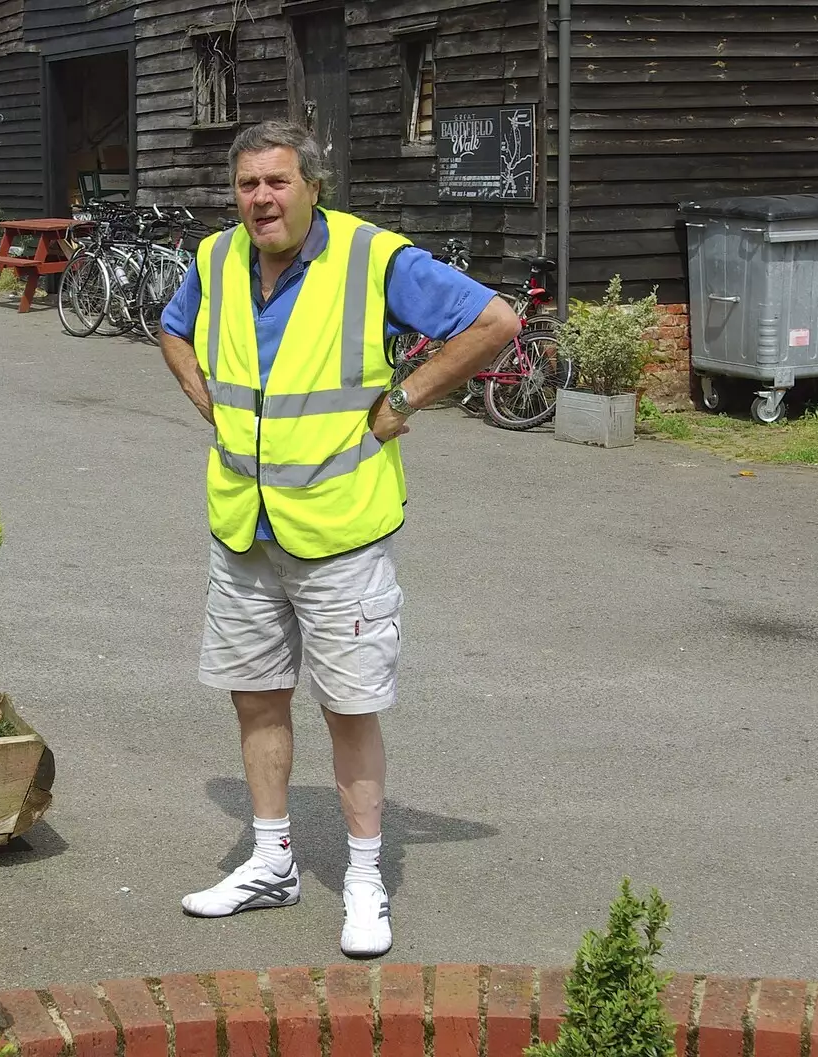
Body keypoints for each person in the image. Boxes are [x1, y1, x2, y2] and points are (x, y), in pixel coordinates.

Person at [157, 120, 521, 958]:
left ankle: (363, 877)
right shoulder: (217, 259)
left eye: (277, 182)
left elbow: (495, 322)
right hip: (244, 523)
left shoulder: (373, 257)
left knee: (349, 707)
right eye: (248, 184)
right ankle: (272, 858)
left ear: (312, 185)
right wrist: (201, 394)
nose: (261, 199)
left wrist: (406, 400)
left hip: (341, 529)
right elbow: (172, 328)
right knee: (255, 694)